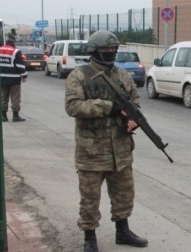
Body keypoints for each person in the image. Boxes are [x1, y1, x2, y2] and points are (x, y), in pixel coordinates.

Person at [65, 30, 148, 252]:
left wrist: (133, 119)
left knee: (124, 193)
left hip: (120, 148)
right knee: (90, 199)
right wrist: (108, 107)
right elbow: (73, 106)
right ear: (94, 51)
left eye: (113, 49)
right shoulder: (79, 76)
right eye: (106, 50)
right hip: (91, 150)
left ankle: (123, 230)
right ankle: (89, 237)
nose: (110, 53)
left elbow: (135, 101)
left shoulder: (122, 75)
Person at [0, 33, 27, 122]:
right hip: (14, 79)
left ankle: (3, 116)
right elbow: (20, 65)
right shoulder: (15, 51)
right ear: (13, 42)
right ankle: (15, 115)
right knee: (15, 97)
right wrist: (24, 76)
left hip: (1, 78)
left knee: (3, 96)